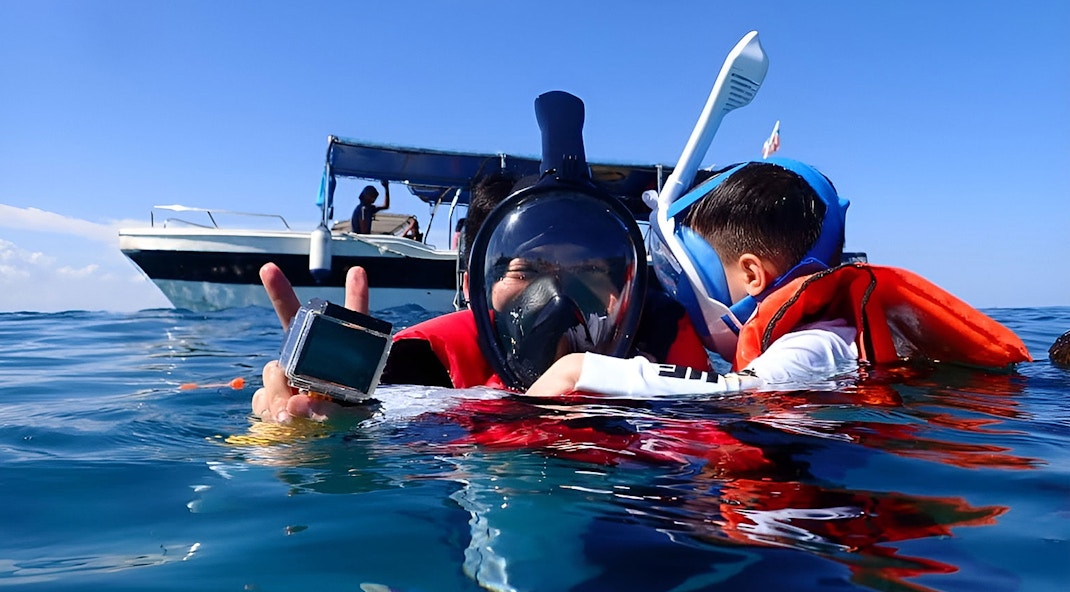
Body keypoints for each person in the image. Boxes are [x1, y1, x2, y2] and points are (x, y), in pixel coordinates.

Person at [252, 91, 708, 422]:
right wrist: (302, 429)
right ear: (473, 289)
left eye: (588, 270)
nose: (558, 296)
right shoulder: (420, 371)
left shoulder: (662, 355)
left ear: (627, 293)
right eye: (526, 269)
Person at [526, 158, 1032, 397]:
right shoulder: (815, 333)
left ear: (750, 274)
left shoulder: (818, 343)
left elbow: (737, 395)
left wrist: (582, 371)